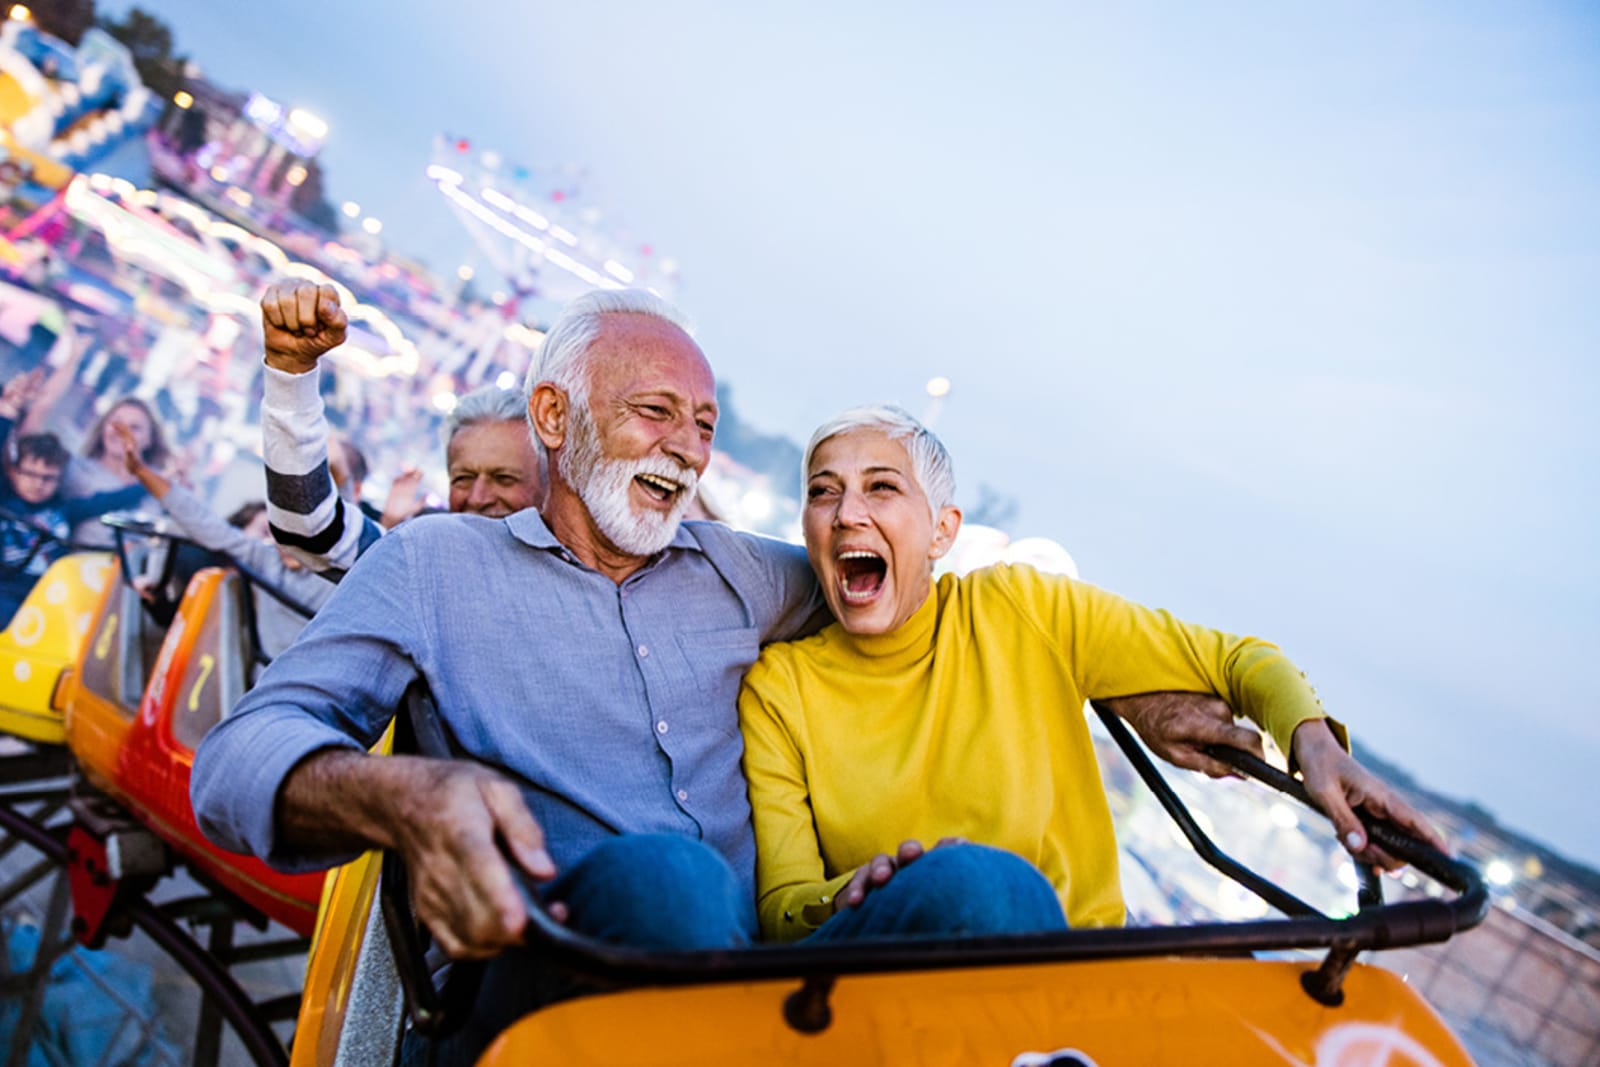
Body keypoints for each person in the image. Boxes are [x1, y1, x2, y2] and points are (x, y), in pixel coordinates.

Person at [191, 287, 1274, 1063]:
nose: (688, 448)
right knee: (670, 877)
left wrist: (1119, 682)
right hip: (567, 968)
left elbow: (907, 591)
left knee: (985, 886)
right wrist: (401, 794)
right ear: (556, 419)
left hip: (769, 979)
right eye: (657, 412)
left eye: (703, 425)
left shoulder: (744, 574)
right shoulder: (435, 565)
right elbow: (238, 756)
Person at [738, 405, 1446, 944]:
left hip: (1081, 970)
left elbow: (1236, 660)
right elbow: (783, 907)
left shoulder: (1021, 608)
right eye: (824, 492)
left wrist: (1316, 748)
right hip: (891, 983)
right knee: (973, 886)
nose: (846, 513)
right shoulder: (780, 689)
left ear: (942, 532)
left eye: (880, 487)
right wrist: (856, 894)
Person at [255, 282, 543, 576]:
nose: (478, 497)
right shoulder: (423, 570)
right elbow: (307, 529)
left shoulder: (571, 592)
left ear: (547, 488)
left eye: (504, 479)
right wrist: (290, 369)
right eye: (463, 478)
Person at [113, 425, 335, 659]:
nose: (287, 539)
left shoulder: (337, 577)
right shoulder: (264, 560)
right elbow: (201, 521)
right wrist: (141, 470)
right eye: (280, 527)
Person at [1, 371, 143, 626]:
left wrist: (153, 482)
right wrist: (7, 413)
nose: (38, 483)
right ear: (15, 472)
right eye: (31, 474)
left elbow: (108, 501)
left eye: (48, 477)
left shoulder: (64, 511)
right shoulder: (5, 499)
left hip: (42, 600)